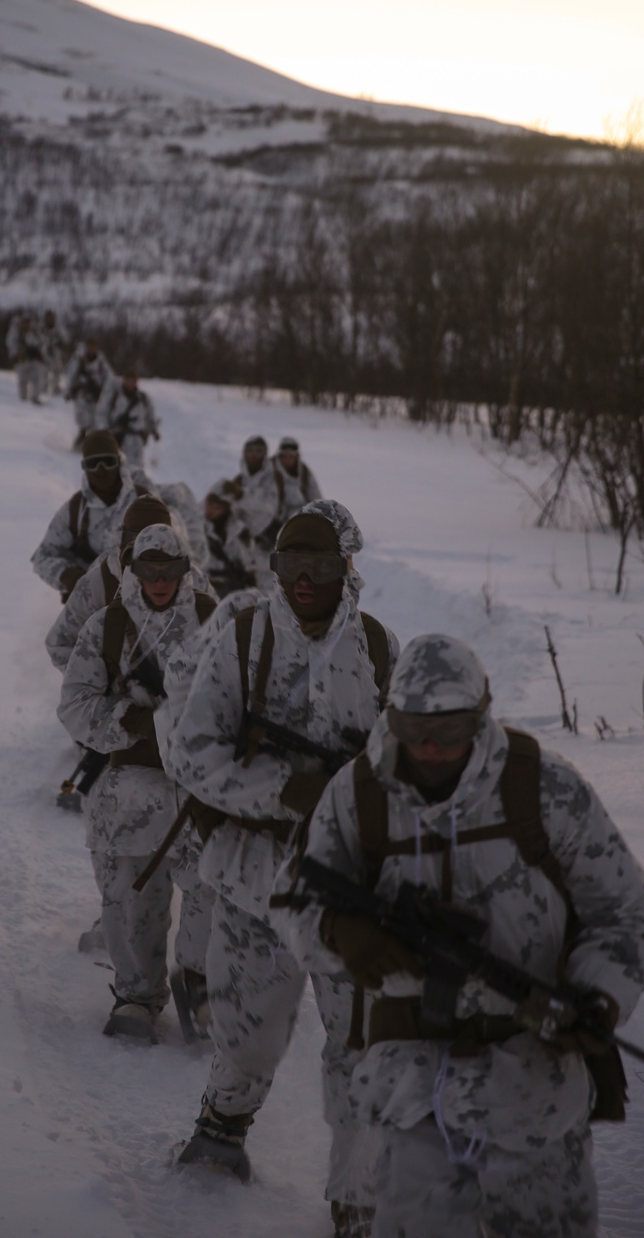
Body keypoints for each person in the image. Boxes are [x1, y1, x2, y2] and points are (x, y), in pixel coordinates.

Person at [275, 633, 644, 1238]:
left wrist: (598, 996)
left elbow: (630, 912)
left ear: (481, 716)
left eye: (451, 731)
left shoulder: (543, 789)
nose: (430, 747)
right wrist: (341, 933)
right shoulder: (358, 794)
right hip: (410, 1095)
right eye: (412, 728)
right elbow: (290, 897)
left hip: (534, 1089)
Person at [161, 500, 398, 1190]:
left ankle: (357, 1197)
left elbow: (417, 772)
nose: (304, 579)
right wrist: (284, 792)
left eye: (321, 564)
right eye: (291, 563)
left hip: (347, 891)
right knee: (246, 1037)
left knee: (359, 1044)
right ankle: (220, 1132)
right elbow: (190, 752)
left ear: (346, 569)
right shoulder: (241, 641)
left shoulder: (380, 651)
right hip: (252, 882)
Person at [58, 523, 218, 1042]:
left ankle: (204, 992)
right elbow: (75, 705)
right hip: (125, 794)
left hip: (198, 795)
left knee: (209, 898)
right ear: (133, 571)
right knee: (131, 903)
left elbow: (243, 702)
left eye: (169, 571)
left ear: (184, 570)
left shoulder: (214, 624)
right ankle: (137, 996)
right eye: (148, 571)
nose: (159, 581)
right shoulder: (107, 627)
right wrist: (130, 720)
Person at [46, 495, 214, 674]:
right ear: (122, 538)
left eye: (158, 538)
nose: (147, 544)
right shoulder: (99, 581)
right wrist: (102, 684)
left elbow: (219, 642)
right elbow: (60, 643)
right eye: (137, 537)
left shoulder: (191, 578)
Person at [31, 430, 147, 602]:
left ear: (119, 462)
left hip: (145, 599)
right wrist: (68, 576)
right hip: (94, 603)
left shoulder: (144, 503)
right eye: (93, 463)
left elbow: (172, 549)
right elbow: (42, 557)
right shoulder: (75, 511)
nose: (101, 471)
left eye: (108, 462)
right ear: (84, 468)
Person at [220, 436, 287, 589]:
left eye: (258, 451)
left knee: (270, 591)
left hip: (269, 543)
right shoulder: (238, 481)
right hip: (244, 547)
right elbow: (230, 513)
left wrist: (242, 495)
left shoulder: (273, 478)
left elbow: (269, 507)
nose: (254, 455)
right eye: (250, 451)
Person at [202, 487, 258, 600]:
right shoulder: (201, 529)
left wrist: (250, 578)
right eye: (209, 506)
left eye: (216, 507)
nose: (210, 511)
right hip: (208, 583)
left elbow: (246, 558)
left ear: (224, 509)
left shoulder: (237, 530)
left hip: (232, 585)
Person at [98, 368, 160, 469]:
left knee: (137, 468)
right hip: (118, 437)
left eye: (133, 381)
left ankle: (135, 484)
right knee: (117, 467)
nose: (130, 383)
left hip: (137, 439)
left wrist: (154, 430)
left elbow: (149, 417)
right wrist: (104, 430)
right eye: (128, 380)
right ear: (124, 381)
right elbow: (102, 413)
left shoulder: (143, 399)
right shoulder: (115, 396)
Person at [64, 339, 113, 451]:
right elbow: (71, 374)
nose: (91, 349)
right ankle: (80, 441)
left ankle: (90, 443)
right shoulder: (79, 359)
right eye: (89, 347)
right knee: (83, 421)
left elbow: (109, 377)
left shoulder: (101, 361)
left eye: (94, 347)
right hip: (82, 394)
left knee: (94, 421)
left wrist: (107, 393)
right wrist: (68, 391)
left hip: (96, 395)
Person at [272, 436, 322, 515]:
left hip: (300, 518)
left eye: (291, 456)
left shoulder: (304, 472)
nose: (288, 459)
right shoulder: (268, 470)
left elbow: (315, 497)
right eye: (285, 456)